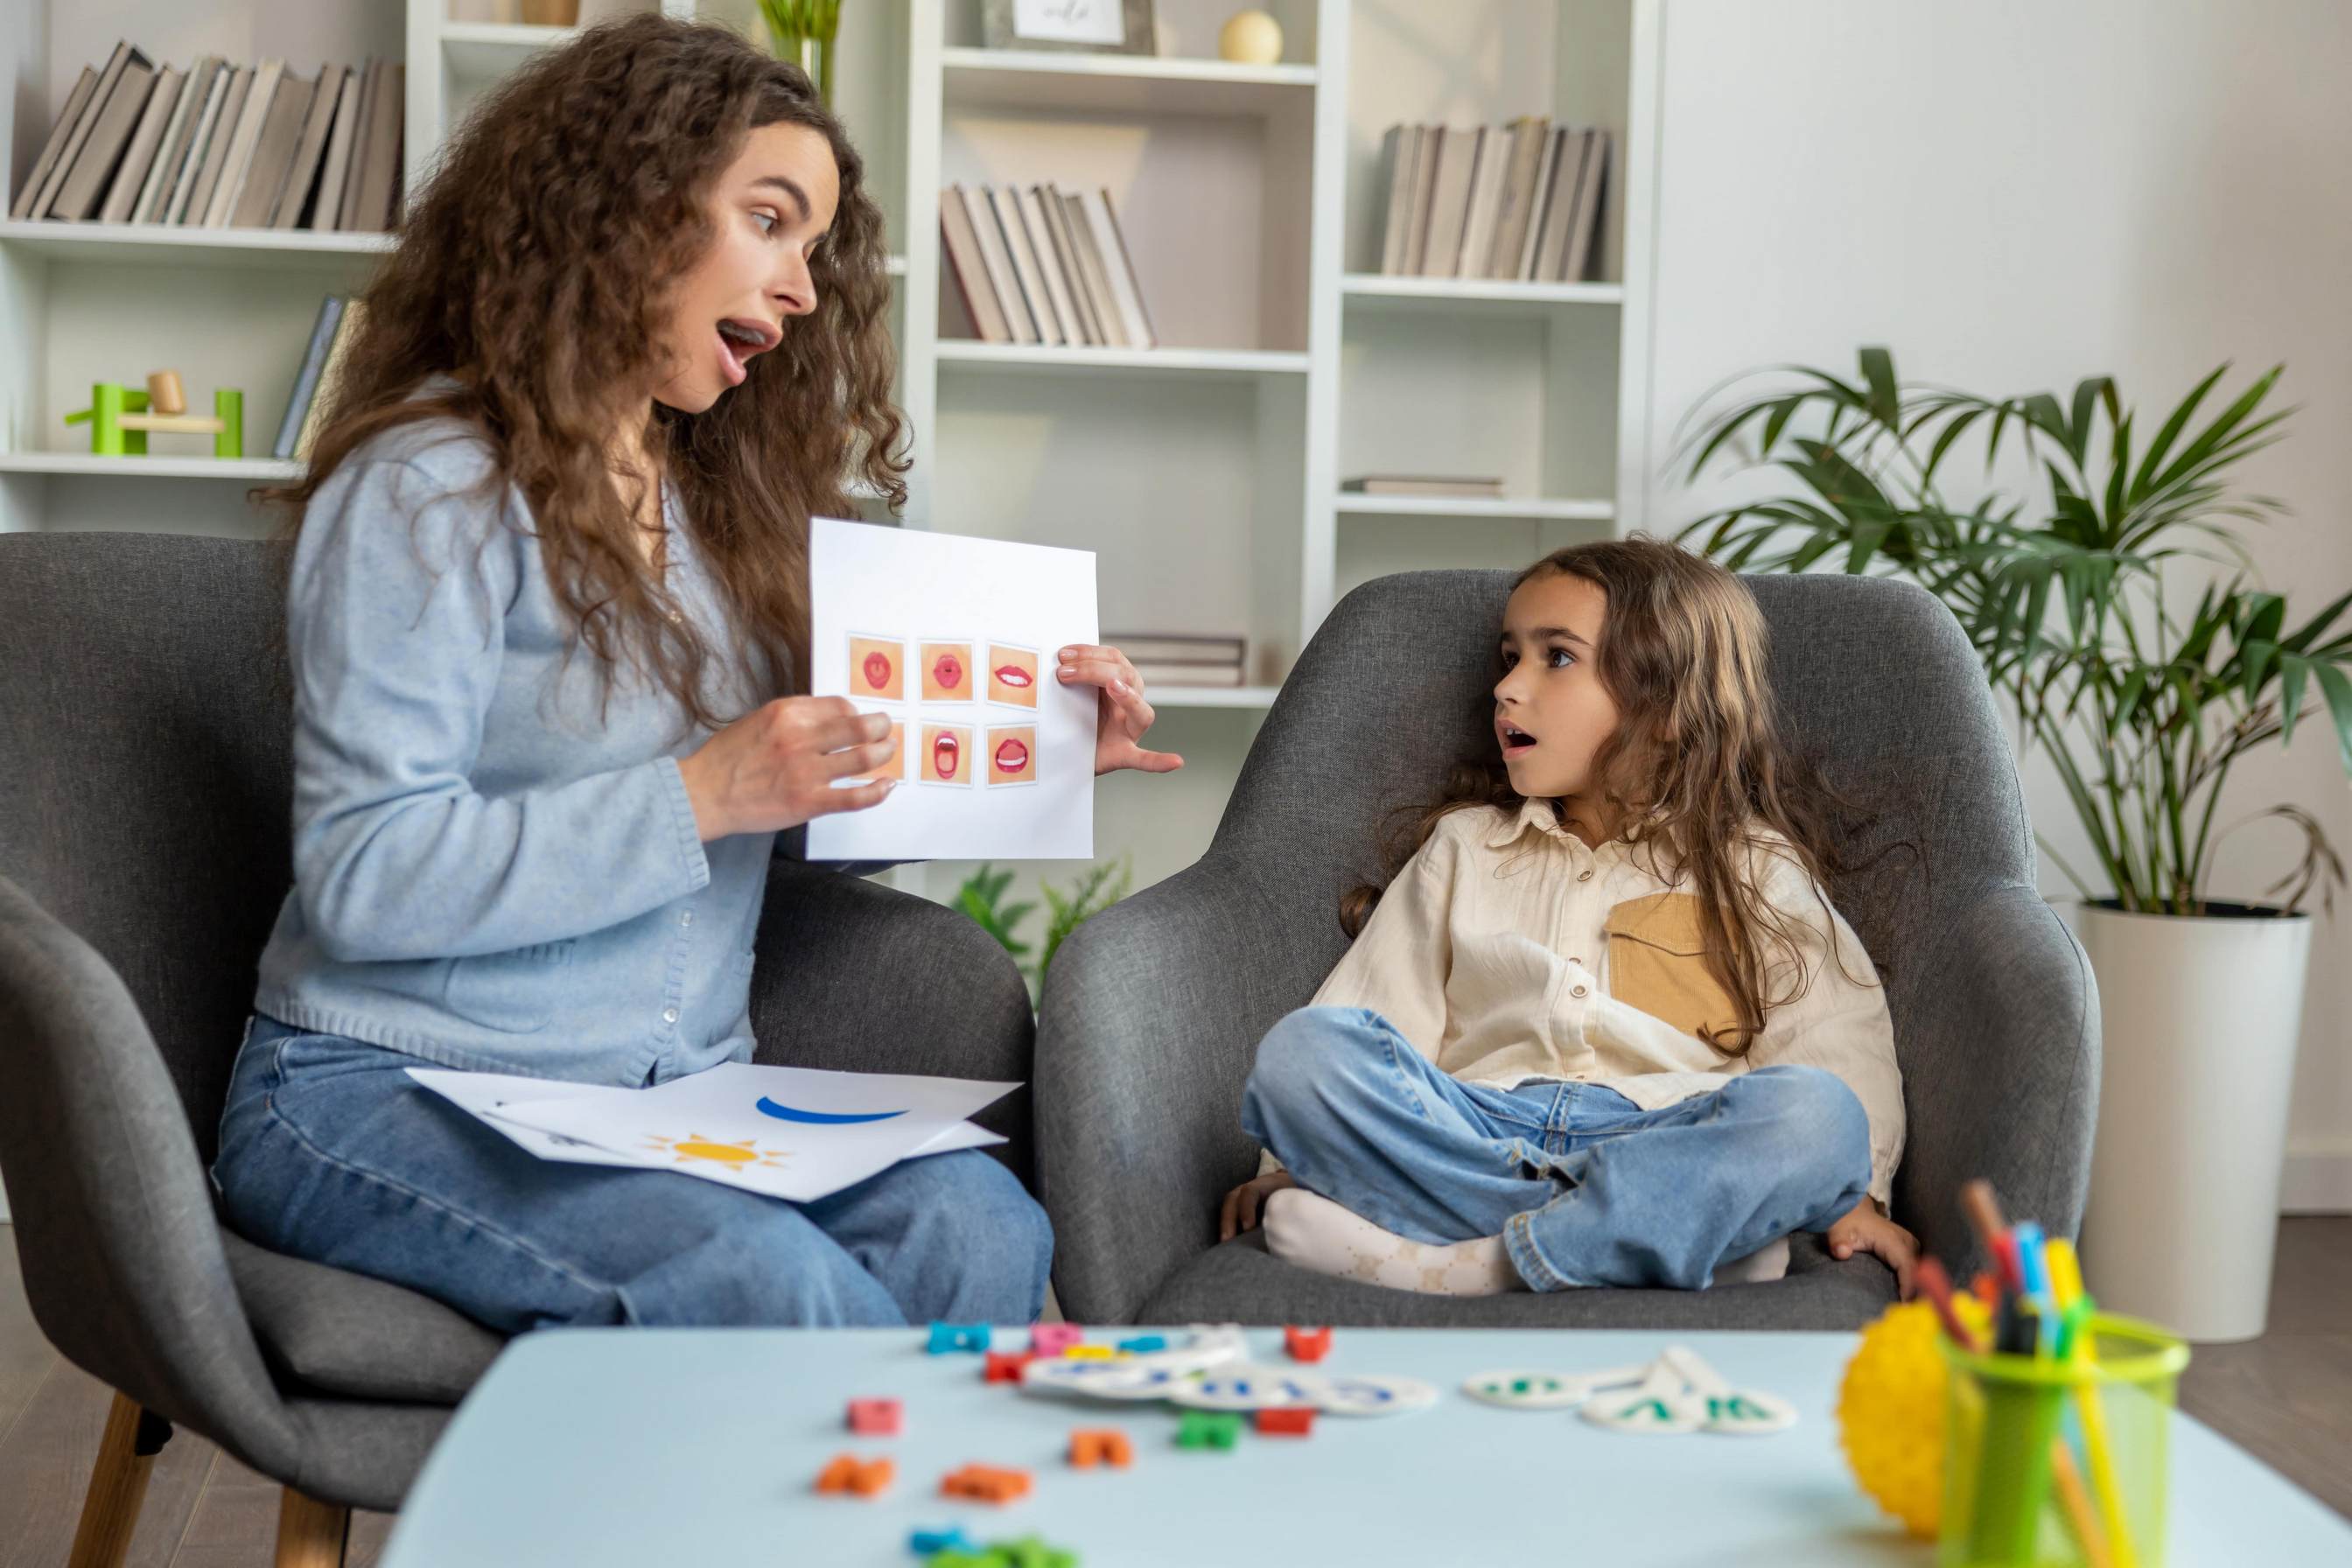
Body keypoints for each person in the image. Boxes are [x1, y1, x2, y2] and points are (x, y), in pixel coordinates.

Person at [211, 17, 1180, 1332]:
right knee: (763, 1283)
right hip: (388, 1087)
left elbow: (766, 824)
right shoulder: (429, 488)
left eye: (814, 248)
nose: (803, 289)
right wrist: (703, 793)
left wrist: (1034, 757)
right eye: (768, 221)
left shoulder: (722, 518)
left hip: (658, 1099)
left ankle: (904, 1482)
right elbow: (365, 873)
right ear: (627, 206)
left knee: (978, 1224)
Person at [1218, 536, 1915, 1298]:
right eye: (1508, 657)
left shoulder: (1753, 866)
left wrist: (1863, 1197)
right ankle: (1656, 1241)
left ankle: (1469, 1261)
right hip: (1476, 1128)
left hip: (1665, 1136)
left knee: (1818, 1115)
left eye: (1555, 658)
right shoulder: (1465, 848)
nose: (1507, 687)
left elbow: (1835, 1036)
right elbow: (1379, 1006)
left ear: (1665, 706)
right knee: (1302, 1055)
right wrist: (1295, 1160)